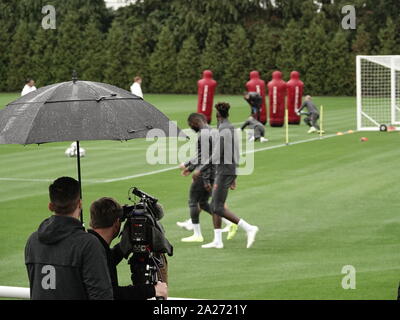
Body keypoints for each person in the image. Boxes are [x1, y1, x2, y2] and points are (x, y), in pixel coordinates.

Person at [25, 177, 113, 300]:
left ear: (50, 206)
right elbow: (102, 296)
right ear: (80, 204)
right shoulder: (88, 244)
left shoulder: (33, 241)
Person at [193, 103, 259, 249]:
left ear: (218, 116)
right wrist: (234, 175)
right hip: (227, 170)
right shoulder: (231, 128)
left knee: (217, 207)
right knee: (217, 205)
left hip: (223, 170)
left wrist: (200, 169)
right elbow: (235, 151)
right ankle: (218, 240)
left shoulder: (222, 129)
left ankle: (249, 228)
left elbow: (216, 155)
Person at [88, 197, 168, 300]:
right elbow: (111, 293)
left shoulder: (92, 244)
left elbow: (105, 262)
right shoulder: (95, 250)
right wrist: (153, 290)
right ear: (117, 223)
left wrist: (122, 248)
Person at [177, 113, 234, 242]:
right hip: (216, 171)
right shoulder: (213, 132)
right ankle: (229, 222)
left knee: (193, 201)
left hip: (205, 172)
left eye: (191, 125)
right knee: (204, 203)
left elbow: (203, 157)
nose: (191, 128)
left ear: (196, 122)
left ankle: (197, 234)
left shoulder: (203, 134)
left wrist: (189, 167)